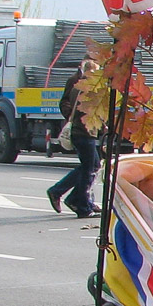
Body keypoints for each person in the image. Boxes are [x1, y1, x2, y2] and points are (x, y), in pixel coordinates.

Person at [46, 60, 101, 218]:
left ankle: (72, 197)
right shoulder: (84, 86)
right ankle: (79, 203)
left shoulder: (81, 85)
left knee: (91, 166)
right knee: (88, 169)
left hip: (83, 131)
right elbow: (75, 106)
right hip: (83, 132)